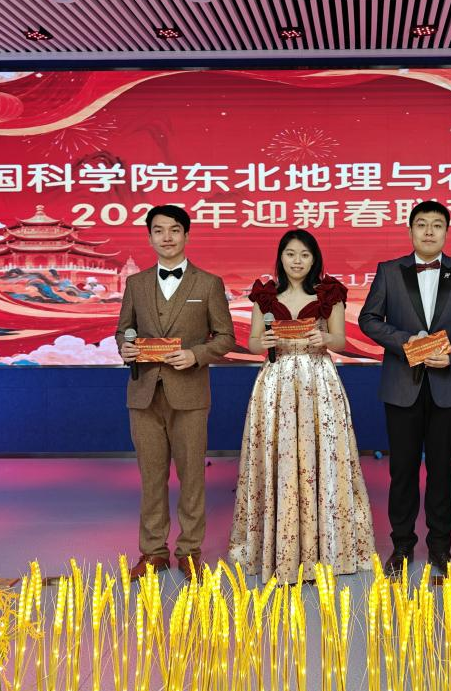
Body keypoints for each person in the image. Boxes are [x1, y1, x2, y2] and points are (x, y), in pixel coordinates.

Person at [227, 229, 376, 583]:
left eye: (304, 255)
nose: (297, 261)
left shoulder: (329, 294)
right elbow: (252, 344)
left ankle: (326, 549)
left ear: (314, 260)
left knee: (323, 459)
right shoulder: (265, 297)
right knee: (276, 457)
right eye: (290, 254)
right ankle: (278, 549)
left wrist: (324, 338)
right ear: (280, 257)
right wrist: (263, 341)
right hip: (275, 383)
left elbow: (340, 341)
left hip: (318, 381)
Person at [358, 200, 451, 578]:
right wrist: (407, 342)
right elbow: (369, 319)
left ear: (447, 232)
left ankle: (440, 548)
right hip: (402, 386)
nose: (429, 231)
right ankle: (402, 546)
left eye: (437, 225)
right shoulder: (389, 271)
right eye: (422, 224)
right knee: (401, 470)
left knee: (442, 470)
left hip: (447, 386)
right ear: (410, 230)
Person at [116, 205, 235, 579]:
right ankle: (153, 552)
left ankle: (189, 550)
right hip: (144, 393)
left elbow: (226, 337)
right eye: (158, 230)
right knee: (151, 477)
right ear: (149, 236)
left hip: (190, 394)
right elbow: (123, 329)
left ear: (186, 235)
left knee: (192, 477)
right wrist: (125, 348)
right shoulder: (135, 284)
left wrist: (196, 355)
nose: (166, 237)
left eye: (174, 230)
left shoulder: (208, 284)